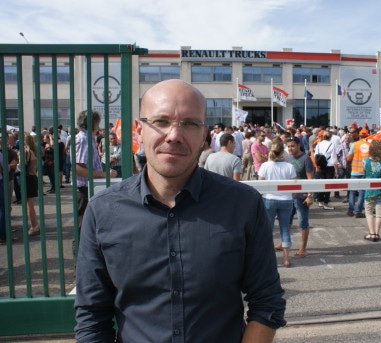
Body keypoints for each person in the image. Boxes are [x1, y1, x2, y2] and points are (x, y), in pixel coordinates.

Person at [74, 80, 286, 342]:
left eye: (189, 123)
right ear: (139, 130)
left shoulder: (243, 205)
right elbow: (92, 316)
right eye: (161, 121)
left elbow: (267, 304)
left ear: (204, 134)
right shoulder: (103, 211)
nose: (174, 135)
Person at [75, 110, 117, 236]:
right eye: (98, 122)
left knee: (88, 223)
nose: (99, 125)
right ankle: (79, 252)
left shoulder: (88, 138)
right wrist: (103, 175)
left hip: (89, 187)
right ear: (93, 123)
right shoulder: (83, 139)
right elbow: (78, 168)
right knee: (83, 224)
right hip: (84, 188)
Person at [259, 137, 296, 267]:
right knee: (285, 228)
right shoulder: (289, 166)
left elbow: (260, 184)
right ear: (282, 152)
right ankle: (286, 258)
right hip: (286, 200)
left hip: (269, 199)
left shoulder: (265, 166)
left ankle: (267, 257)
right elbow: (294, 186)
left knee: (267, 229)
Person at [286, 136, 315, 257]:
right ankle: (284, 242)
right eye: (288, 146)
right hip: (289, 196)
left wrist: (310, 196)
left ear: (299, 145)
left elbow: (310, 179)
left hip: (301, 197)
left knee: (303, 222)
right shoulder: (288, 158)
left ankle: (303, 248)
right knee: (286, 221)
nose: (290, 148)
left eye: (292, 146)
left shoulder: (306, 159)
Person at [363, 140, 381, 242]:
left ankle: (372, 233)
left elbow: (364, 172)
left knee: (369, 212)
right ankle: (377, 233)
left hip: (369, 190)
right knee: (379, 213)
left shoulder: (365, 161)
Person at [346, 128, 370, 218]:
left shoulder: (355, 145)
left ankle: (350, 210)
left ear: (359, 135)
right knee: (362, 192)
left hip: (355, 171)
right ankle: (358, 211)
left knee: (352, 191)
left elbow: (348, 158)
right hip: (365, 172)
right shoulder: (369, 145)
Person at [21, 133, 40, 236]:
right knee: (30, 204)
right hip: (32, 177)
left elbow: (22, 166)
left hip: (28, 178)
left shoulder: (26, 152)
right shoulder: (33, 151)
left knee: (29, 205)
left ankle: (34, 226)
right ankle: (35, 225)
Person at [313, 130, 336, 210]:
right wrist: (335, 168)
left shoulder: (319, 144)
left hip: (320, 166)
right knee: (328, 185)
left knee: (322, 183)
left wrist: (316, 166)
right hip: (329, 166)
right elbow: (333, 157)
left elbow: (315, 155)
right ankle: (326, 203)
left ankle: (320, 201)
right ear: (330, 137)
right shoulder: (331, 145)